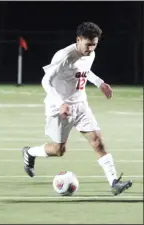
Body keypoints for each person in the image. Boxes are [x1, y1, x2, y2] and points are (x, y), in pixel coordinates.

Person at [21, 22, 132, 196]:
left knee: (97, 141)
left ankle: (114, 182)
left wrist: (100, 83)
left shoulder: (91, 53)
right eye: (88, 44)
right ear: (78, 39)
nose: (91, 49)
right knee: (59, 150)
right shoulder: (64, 56)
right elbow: (45, 81)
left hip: (80, 105)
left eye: (94, 45)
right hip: (58, 108)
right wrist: (60, 103)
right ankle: (29, 152)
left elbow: (85, 71)